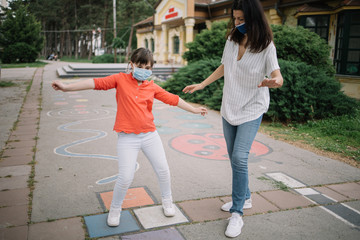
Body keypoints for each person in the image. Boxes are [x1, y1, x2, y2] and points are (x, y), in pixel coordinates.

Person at [52, 48, 207, 227]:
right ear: (131, 64)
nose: (144, 70)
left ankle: (167, 201)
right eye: (140, 66)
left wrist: (194, 109)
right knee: (125, 177)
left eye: (148, 67)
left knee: (163, 170)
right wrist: (66, 88)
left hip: (150, 135)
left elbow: (173, 99)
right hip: (127, 138)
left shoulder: (152, 86)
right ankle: (115, 209)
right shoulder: (120, 79)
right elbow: (95, 82)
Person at [183, 0, 283, 237]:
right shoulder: (232, 39)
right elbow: (224, 66)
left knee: (239, 157)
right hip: (230, 106)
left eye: (242, 20)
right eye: (235, 19)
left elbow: (277, 75)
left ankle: (237, 213)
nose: (237, 24)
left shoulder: (266, 46)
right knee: (232, 156)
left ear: (254, 19)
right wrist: (202, 84)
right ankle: (245, 197)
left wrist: (275, 82)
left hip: (252, 107)